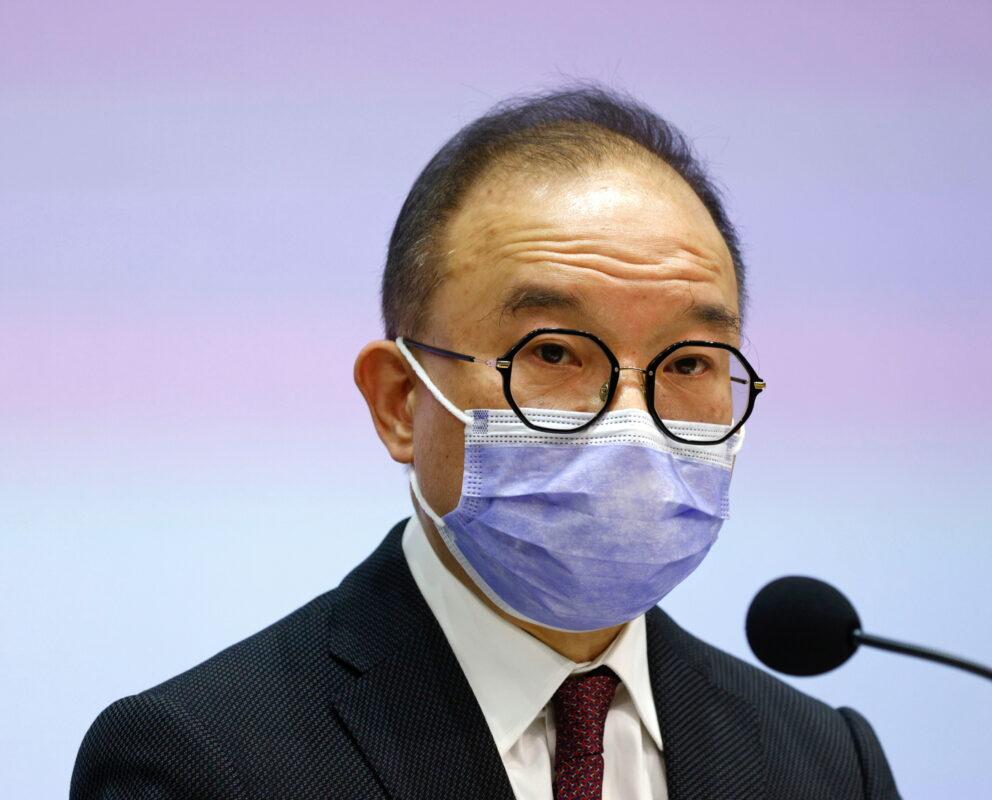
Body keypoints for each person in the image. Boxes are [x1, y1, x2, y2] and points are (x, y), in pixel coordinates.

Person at [71, 84, 900, 800]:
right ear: (400, 401)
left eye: (689, 361)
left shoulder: (826, 763)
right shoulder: (203, 760)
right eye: (553, 353)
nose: (633, 416)